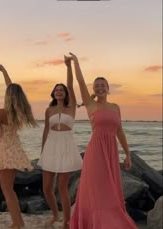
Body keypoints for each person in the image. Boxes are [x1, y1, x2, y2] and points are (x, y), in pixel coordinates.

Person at [68, 53, 137, 229]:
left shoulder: (115, 107)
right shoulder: (91, 104)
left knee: (110, 189)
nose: (99, 88)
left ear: (107, 87)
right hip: (96, 151)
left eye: (102, 85)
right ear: (94, 89)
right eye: (96, 86)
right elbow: (81, 83)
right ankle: (94, 221)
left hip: (111, 151)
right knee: (97, 187)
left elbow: (119, 131)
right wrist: (76, 62)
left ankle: (110, 220)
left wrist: (127, 154)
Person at [0, 64, 37, 229]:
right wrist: (4, 71)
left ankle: (17, 223)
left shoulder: (1, 112)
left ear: (8, 96)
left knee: (7, 189)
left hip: (5, 149)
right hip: (15, 149)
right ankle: (19, 222)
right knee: (10, 188)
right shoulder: (21, 111)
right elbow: (12, 88)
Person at [38, 56, 83, 229]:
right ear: (53, 93)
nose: (59, 92)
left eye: (61, 90)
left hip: (66, 146)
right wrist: (42, 151)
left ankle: (66, 221)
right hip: (50, 146)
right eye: (56, 90)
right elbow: (45, 131)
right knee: (47, 188)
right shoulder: (48, 110)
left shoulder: (70, 106)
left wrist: (69, 66)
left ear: (65, 94)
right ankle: (55, 214)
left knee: (62, 187)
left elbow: (71, 86)